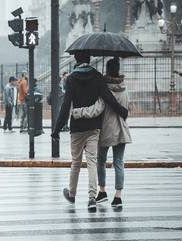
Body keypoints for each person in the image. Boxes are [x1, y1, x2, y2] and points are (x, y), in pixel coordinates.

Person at [51, 51, 128, 210]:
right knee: (92, 161)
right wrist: (121, 110)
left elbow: (66, 105)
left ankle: (72, 195)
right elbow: (108, 97)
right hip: (94, 127)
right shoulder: (97, 76)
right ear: (90, 59)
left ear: (77, 60)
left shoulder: (71, 78)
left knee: (76, 162)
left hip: (77, 127)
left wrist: (57, 129)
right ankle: (92, 197)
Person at [72, 58, 132, 208]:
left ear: (107, 70)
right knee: (119, 163)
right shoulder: (124, 87)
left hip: (106, 129)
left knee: (100, 162)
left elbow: (97, 108)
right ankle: (118, 196)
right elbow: (127, 107)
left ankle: (102, 191)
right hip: (122, 130)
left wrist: (78, 112)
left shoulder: (105, 89)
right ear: (118, 69)